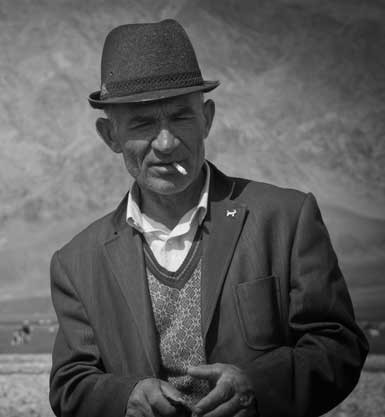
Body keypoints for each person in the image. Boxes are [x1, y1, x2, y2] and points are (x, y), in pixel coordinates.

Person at [48, 19, 368, 417]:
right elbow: (70, 382)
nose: (165, 144)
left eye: (181, 117)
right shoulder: (78, 262)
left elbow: (337, 344)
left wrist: (261, 388)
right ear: (109, 135)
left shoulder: (284, 219)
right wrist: (124, 397)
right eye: (143, 123)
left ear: (208, 119)